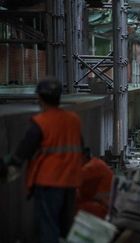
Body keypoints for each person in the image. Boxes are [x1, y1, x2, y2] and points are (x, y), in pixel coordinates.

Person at [0, 77, 83, 243]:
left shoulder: (41, 122)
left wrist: (8, 165)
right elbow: (80, 147)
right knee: (65, 228)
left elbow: (24, 150)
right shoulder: (73, 120)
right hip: (71, 182)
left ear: (40, 98)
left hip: (49, 183)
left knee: (48, 228)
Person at [76, 148, 113, 219]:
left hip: (102, 207)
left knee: (72, 207)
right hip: (106, 205)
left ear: (83, 157)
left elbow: (74, 181)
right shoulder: (96, 163)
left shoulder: (91, 167)